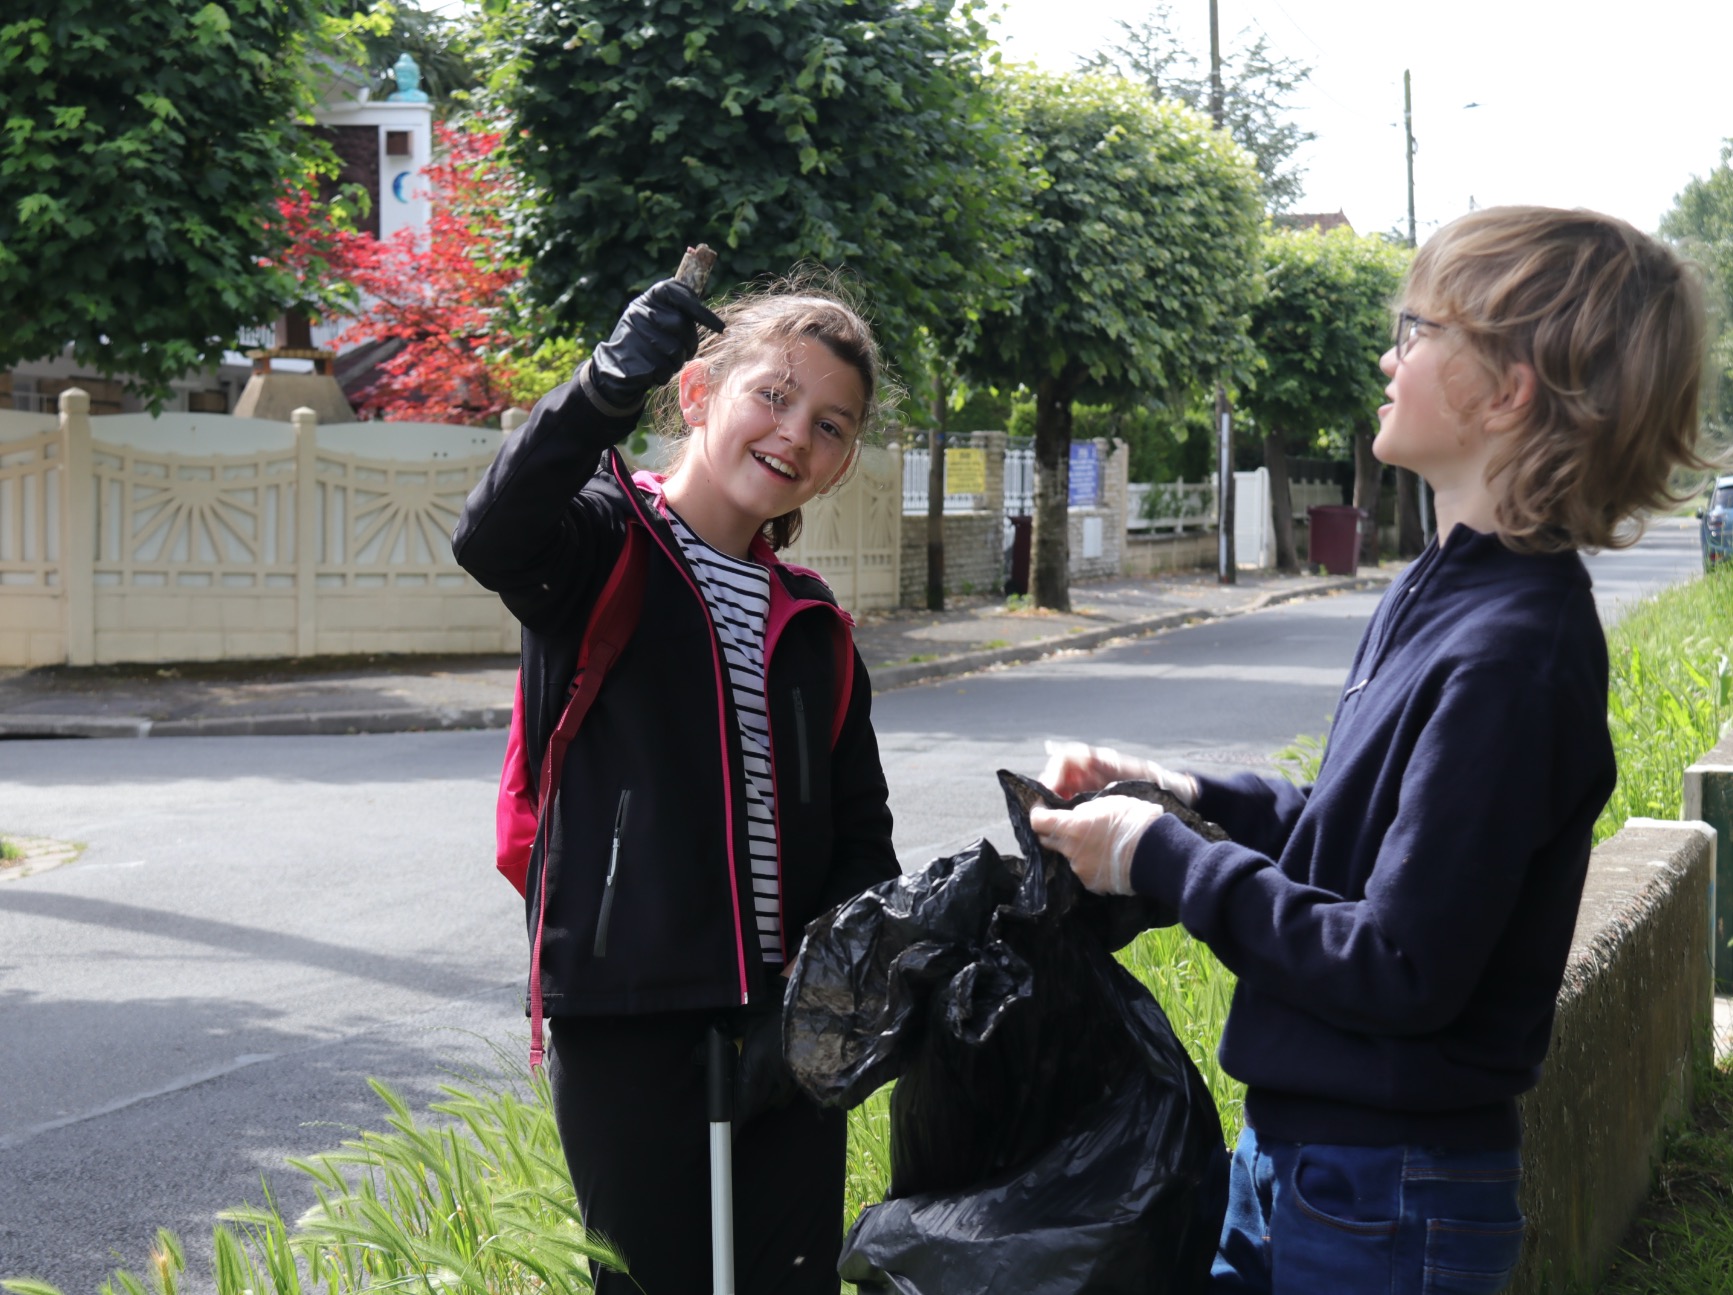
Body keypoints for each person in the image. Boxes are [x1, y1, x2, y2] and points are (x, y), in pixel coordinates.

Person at [1028, 206, 1708, 1294]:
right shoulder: (1441, 589)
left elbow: (1398, 965)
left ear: (1506, 388)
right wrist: (1176, 792)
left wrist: (1159, 858)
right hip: (1312, 1162)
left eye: (1415, 328)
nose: (1387, 356)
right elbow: (1351, 829)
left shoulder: (1512, 653)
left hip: (1387, 1194)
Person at [452, 273, 900, 1294]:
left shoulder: (814, 622)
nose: (796, 434)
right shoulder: (604, 543)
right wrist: (605, 382)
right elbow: (490, 534)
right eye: (773, 395)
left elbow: (861, 842)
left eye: (830, 425)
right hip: (628, 1014)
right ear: (697, 391)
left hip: (789, 1027)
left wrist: (822, 1007)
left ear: (838, 465)